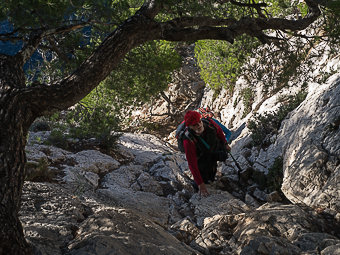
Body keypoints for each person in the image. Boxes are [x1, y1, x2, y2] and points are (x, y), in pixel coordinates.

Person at [183, 110, 230, 197]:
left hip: (213, 149)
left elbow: (219, 131)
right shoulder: (188, 140)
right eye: (195, 125)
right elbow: (192, 164)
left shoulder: (209, 123)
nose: (199, 125)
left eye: (199, 122)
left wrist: (225, 144)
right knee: (205, 178)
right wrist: (201, 184)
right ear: (189, 126)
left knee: (220, 160)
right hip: (202, 156)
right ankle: (197, 183)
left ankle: (211, 174)